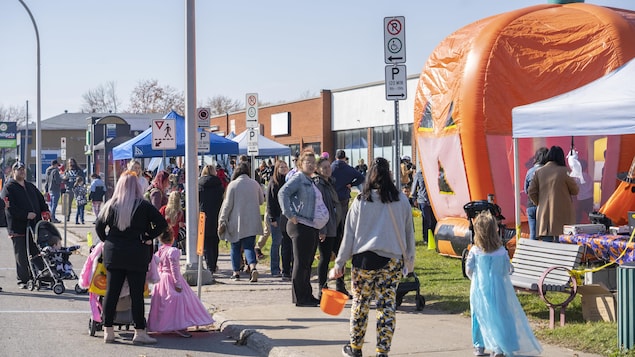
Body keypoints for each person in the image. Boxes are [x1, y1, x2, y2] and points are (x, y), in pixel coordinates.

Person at [330, 157, 415, 357]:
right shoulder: (401, 200)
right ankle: (382, 350)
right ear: (390, 176)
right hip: (392, 260)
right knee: (387, 307)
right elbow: (408, 233)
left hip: (363, 260)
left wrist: (340, 263)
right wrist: (409, 261)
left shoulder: (361, 201)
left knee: (360, 304)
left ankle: (356, 347)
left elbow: (349, 235)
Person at [95, 170, 168, 344]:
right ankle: (139, 332)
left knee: (111, 292)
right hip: (136, 252)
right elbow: (162, 223)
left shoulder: (111, 204)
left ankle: (108, 331)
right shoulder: (143, 205)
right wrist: (147, 236)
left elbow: (99, 226)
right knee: (137, 294)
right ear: (137, 186)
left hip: (115, 252)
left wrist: (108, 240)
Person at [465, 211, 542, 357]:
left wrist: (475, 279)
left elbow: (469, 270)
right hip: (499, 289)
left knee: (479, 316)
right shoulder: (501, 251)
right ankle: (498, 346)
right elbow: (508, 269)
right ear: (495, 231)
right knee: (499, 316)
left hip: (479, 289)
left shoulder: (475, 251)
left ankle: (479, 346)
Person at [278, 150, 330, 307]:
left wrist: (321, 227)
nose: (312, 165)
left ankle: (307, 294)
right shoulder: (299, 178)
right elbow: (283, 193)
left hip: (311, 225)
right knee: (301, 263)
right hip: (300, 224)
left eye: (313, 162)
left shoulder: (310, 180)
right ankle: (301, 297)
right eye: (308, 162)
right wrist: (289, 213)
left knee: (307, 262)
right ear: (300, 164)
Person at [147, 229, 214, 337]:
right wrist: (177, 283)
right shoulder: (172, 251)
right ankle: (179, 325)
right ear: (173, 238)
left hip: (161, 279)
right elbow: (175, 269)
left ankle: (162, 324)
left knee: (162, 303)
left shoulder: (159, 251)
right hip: (170, 278)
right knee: (180, 300)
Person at [1, 161, 51, 289]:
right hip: (18, 227)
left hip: (34, 226)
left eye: (23, 169)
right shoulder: (9, 187)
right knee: (21, 255)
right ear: (13, 172)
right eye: (18, 169)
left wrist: (45, 211)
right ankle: (23, 280)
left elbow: (40, 200)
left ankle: (41, 276)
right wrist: (25, 215)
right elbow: (9, 208)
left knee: (36, 252)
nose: (21, 171)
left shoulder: (30, 186)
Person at [218, 163, 264, 282]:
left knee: (235, 247)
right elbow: (261, 201)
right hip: (251, 220)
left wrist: (222, 219)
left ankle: (236, 272)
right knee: (249, 246)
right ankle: (253, 267)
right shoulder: (255, 184)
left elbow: (227, 205)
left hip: (235, 221)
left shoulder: (232, 185)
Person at [330, 149, 365, 296]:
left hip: (329, 202)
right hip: (342, 201)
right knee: (342, 234)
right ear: (344, 158)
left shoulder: (330, 167)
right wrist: (351, 184)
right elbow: (361, 177)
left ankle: (323, 286)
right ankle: (340, 284)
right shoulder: (347, 168)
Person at [528, 146, 579, 241]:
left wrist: (539, 203)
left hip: (544, 215)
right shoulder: (565, 171)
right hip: (563, 214)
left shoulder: (539, 172)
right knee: (563, 245)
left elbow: (531, 191)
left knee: (547, 247)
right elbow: (575, 190)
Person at [313, 157, 343, 298]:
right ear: (318, 170)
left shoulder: (330, 182)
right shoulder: (319, 184)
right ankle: (322, 288)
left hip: (337, 225)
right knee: (325, 258)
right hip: (326, 226)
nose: (327, 169)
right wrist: (322, 229)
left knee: (340, 256)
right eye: (324, 167)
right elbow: (319, 208)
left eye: (328, 167)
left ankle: (340, 285)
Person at [198, 164, 225, 278]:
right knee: (215, 241)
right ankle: (213, 264)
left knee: (205, 242)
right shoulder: (219, 185)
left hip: (203, 215)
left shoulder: (199, 185)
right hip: (216, 214)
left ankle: (209, 266)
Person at [265, 160, 290, 278]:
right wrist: (272, 218)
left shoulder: (289, 181)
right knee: (276, 243)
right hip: (277, 216)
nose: (284, 168)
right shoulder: (273, 183)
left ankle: (286, 267)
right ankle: (274, 268)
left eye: (285, 166)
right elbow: (270, 202)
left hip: (287, 216)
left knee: (286, 243)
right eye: (281, 167)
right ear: (276, 169)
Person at [524, 147, 549, 240]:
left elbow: (526, 190)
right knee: (546, 234)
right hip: (544, 205)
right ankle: (547, 253)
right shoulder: (549, 171)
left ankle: (531, 253)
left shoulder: (529, 171)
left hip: (531, 205)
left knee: (533, 233)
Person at [411, 168, 436, 244]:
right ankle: (426, 238)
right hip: (423, 200)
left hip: (433, 200)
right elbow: (414, 187)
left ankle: (434, 237)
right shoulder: (419, 174)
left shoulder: (433, 172)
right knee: (426, 220)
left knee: (434, 220)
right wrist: (414, 198)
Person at [62, 157, 85, 222]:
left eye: (72, 162)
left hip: (78, 189)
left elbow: (83, 179)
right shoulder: (67, 171)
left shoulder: (79, 171)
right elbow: (64, 180)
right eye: (69, 163)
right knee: (68, 204)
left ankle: (80, 218)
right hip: (69, 189)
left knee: (79, 204)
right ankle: (68, 216)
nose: (70, 164)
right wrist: (65, 180)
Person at [574, 159, 594, 224]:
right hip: (589, 197)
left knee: (578, 215)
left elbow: (575, 185)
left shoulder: (578, 176)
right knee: (590, 214)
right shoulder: (588, 176)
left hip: (581, 198)